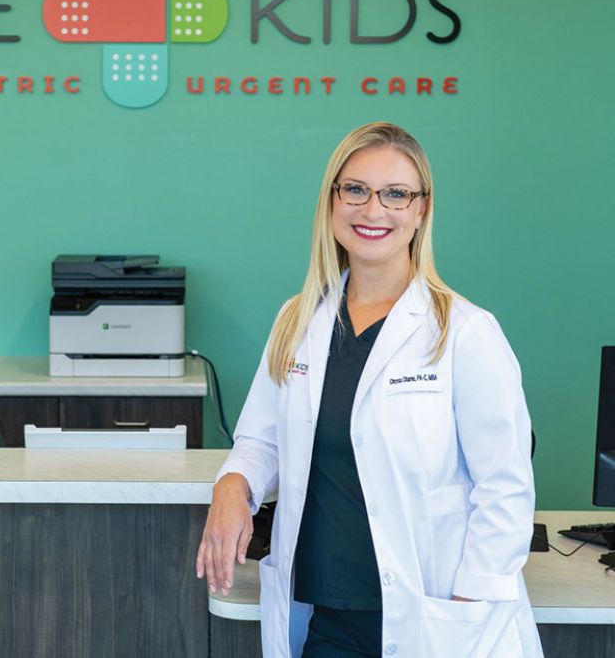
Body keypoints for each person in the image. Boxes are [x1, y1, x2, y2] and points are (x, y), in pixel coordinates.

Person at [196, 122, 543, 658]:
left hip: (434, 622)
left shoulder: (465, 332)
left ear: (421, 209)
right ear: (332, 201)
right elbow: (260, 442)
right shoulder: (299, 319)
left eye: (396, 194)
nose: (372, 210)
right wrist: (231, 487)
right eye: (355, 189)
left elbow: (505, 489)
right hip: (329, 620)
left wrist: (466, 609)